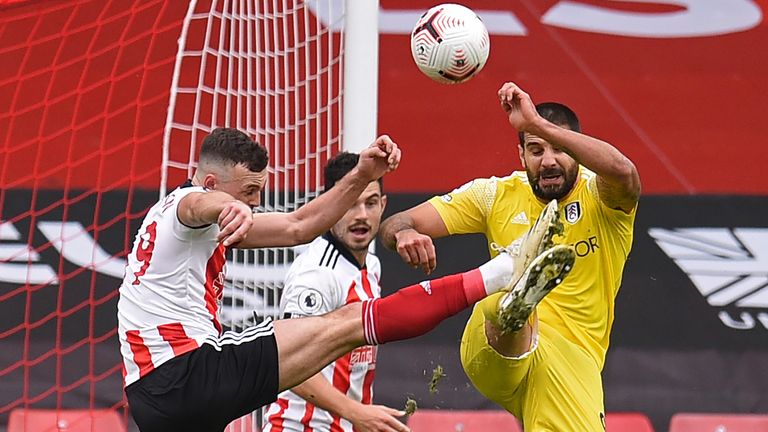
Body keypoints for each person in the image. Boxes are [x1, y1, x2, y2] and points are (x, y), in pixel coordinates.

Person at [117, 127, 574, 432]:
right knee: (350, 322)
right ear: (213, 184)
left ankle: (499, 273)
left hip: (158, 403)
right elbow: (199, 205)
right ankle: (500, 272)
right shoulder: (190, 208)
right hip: (184, 374)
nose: (255, 204)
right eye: (249, 193)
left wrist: (361, 174)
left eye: (258, 192)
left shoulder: (206, 221)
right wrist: (226, 206)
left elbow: (299, 226)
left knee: (348, 327)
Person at [380, 82, 641, 431]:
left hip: (571, 361)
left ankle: (515, 283)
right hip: (492, 344)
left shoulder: (601, 194)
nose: (547, 160)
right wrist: (405, 232)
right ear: (521, 157)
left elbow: (625, 173)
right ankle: (516, 299)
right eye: (535, 150)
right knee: (504, 305)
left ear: (577, 150)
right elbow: (395, 223)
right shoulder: (494, 195)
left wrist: (536, 125)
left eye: (559, 148)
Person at [264, 152, 405, 432]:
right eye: (350, 204)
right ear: (331, 204)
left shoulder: (371, 266)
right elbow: (289, 366)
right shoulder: (316, 274)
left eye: (371, 203)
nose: (361, 216)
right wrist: (357, 413)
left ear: (383, 205)